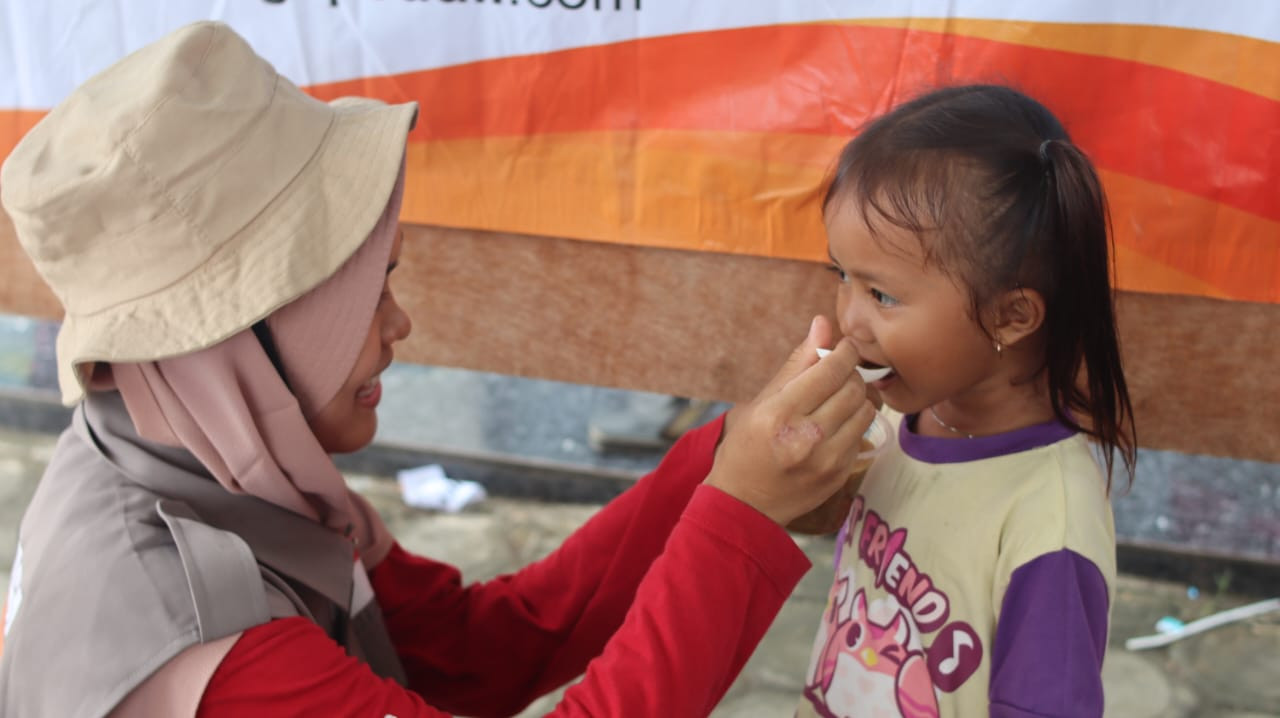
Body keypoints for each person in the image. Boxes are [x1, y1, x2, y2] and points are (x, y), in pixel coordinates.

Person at [0, 21, 879, 717]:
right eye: (363, 293)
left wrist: (719, 463)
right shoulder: (216, 652)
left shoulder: (207, 460)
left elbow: (477, 649)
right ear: (239, 333)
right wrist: (740, 517)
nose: (399, 324)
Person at [795, 85, 1137, 718]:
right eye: (842, 276)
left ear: (1010, 316)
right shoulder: (899, 417)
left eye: (883, 295)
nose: (850, 320)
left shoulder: (1049, 523)